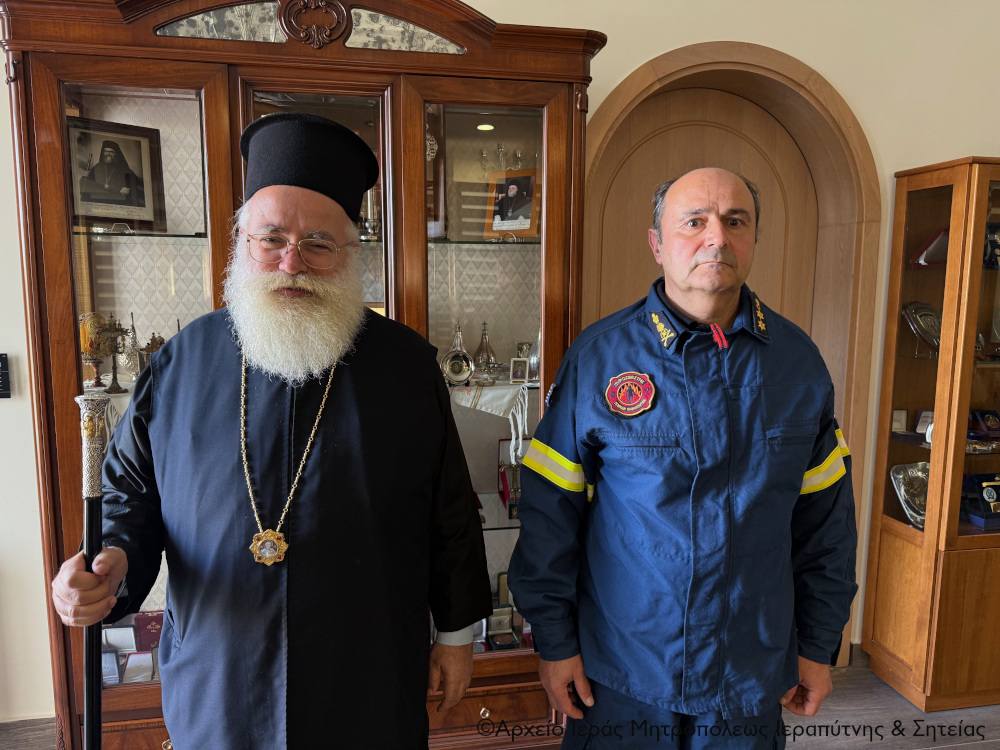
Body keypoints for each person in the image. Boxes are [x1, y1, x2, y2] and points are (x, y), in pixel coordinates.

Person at [51, 112, 493, 749]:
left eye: (318, 243)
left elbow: (449, 513)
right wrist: (112, 561)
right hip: (220, 677)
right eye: (272, 238)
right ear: (243, 242)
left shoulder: (405, 367)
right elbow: (130, 499)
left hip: (364, 675)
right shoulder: (178, 365)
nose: (292, 262)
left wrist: (455, 636)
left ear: (350, 254)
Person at [508, 168, 857, 749]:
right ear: (657, 242)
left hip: (748, 675)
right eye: (694, 222)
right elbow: (550, 517)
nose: (716, 237)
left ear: (753, 239)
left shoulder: (799, 364)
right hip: (623, 674)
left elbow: (827, 525)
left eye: (735, 221)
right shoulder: (598, 359)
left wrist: (818, 646)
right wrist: (554, 641)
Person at [79, 139, 145, 206]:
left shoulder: (124, 169)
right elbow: (85, 186)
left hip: (118, 203)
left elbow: (138, 186)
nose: (108, 154)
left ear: (116, 154)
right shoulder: (97, 167)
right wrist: (85, 176)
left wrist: (128, 188)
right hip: (99, 203)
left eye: (111, 152)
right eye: (105, 151)